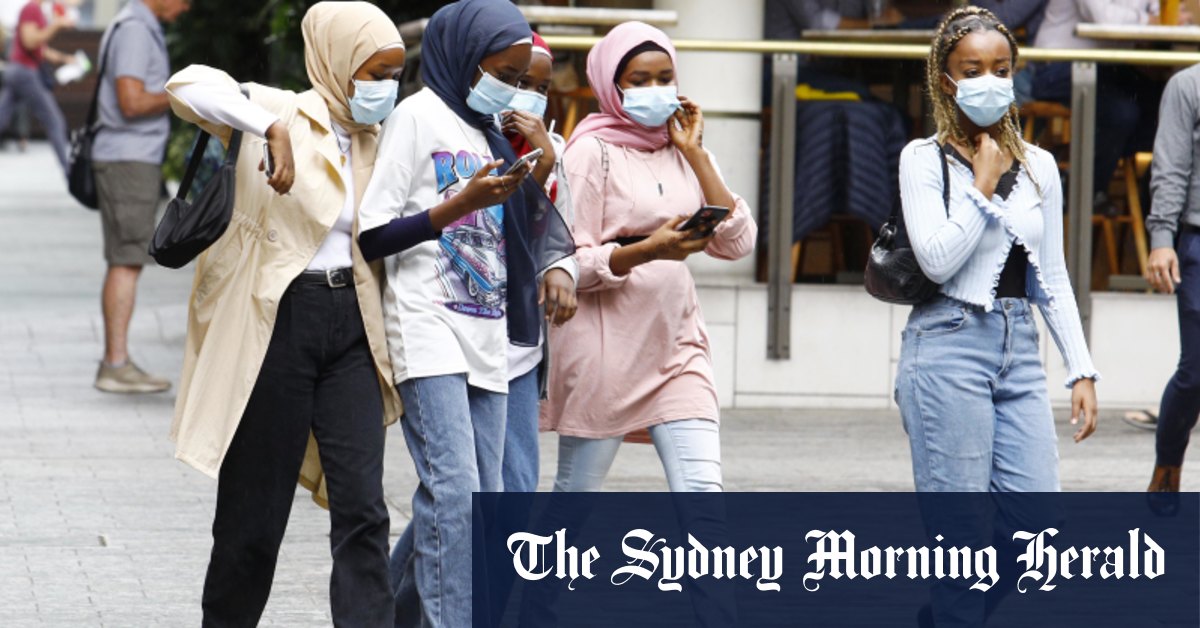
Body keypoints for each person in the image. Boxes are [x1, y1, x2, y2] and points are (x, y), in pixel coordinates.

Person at [164, 3, 405, 625]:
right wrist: (265, 126)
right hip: (277, 323)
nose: (385, 87)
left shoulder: (386, 136)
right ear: (337, 62)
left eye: (395, 73)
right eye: (374, 72)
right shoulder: (279, 107)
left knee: (364, 509)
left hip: (353, 323)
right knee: (254, 515)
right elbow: (186, 84)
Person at [355, 1, 573, 625]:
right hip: (428, 329)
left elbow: (523, 242)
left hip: (489, 336)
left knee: (487, 501)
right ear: (462, 56)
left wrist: (540, 169)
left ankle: (395, 614)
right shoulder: (417, 117)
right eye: (501, 71)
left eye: (517, 73)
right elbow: (373, 235)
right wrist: (457, 206)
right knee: (455, 496)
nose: (507, 86)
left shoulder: (488, 131)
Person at [541, 21, 758, 493]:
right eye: (639, 82)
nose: (656, 91)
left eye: (665, 79)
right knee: (573, 504)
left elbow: (737, 243)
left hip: (677, 348)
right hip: (605, 353)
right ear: (610, 86)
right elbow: (567, 261)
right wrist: (646, 251)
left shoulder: (684, 150)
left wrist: (697, 155)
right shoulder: (589, 154)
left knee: (703, 498)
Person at [895, 6, 1099, 495]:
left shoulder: (1039, 166)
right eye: (973, 71)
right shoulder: (923, 159)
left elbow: (1052, 276)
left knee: (1036, 523)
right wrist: (980, 188)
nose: (990, 80)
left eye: (1001, 70)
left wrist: (1081, 369)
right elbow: (937, 260)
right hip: (947, 344)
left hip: (1020, 348)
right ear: (947, 82)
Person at [90, 0, 189, 394]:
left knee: (127, 258)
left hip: (130, 158)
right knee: (127, 258)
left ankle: (116, 361)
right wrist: (180, 93)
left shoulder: (136, 23)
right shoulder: (134, 28)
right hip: (128, 159)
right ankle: (115, 364)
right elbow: (130, 101)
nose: (185, 8)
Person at [501, 31, 578, 494]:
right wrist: (540, 167)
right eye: (517, 80)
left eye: (542, 87)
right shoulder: (472, 140)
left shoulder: (555, 148)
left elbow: (561, 232)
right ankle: (409, 570)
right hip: (466, 327)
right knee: (464, 483)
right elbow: (499, 229)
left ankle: (404, 571)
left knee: (516, 480)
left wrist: (559, 270)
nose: (530, 96)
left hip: (521, 334)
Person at [1032, 0, 1166, 205]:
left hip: (1109, 66)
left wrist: (1163, 20)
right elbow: (1105, 19)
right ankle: (1080, 192)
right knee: (1121, 113)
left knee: (1167, 112)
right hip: (1060, 64)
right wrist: (1149, 21)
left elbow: (1162, 16)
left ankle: (1082, 173)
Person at [1142, 63, 1200, 494]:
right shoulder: (1188, 85)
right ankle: (1168, 466)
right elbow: (1171, 166)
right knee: (1196, 371)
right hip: (1198, 238)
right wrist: (1162, 237)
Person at [0, 0, 73, 172]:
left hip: (19, 71)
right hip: (24, 72)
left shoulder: (37, 11)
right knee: (54, 121)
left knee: (2, 114)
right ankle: (70, 173)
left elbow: (41, 49)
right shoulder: (31, 8)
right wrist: (56, 26)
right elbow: (30, 41)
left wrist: (66, 59)